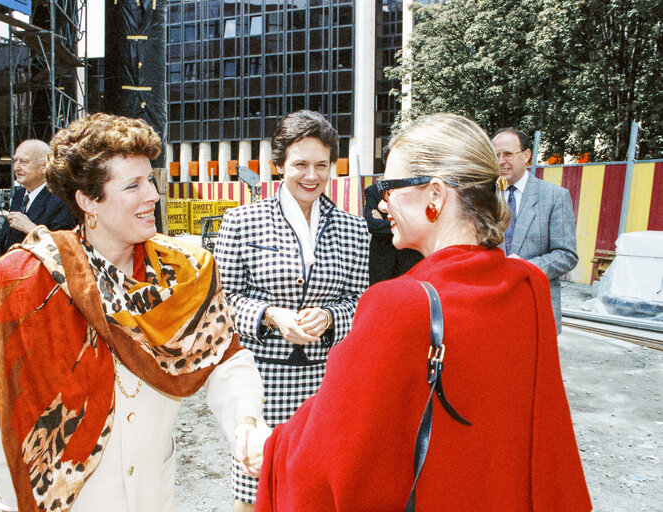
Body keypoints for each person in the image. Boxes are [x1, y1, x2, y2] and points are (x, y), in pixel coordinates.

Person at [254, 114, 592, 511]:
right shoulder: (527, 284)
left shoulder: (398, 304)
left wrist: (270, 447)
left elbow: (329, 458)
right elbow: (546, 440)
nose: (382, 203)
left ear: (435, 195)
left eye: (390, 187)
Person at [0, 113, 265, 511]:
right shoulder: (31, 281)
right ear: (87, 200)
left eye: (149, 179)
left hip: (153, 492)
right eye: (132, 185)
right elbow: (6, 418)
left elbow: (226, 359)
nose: (152, 195)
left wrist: (245, 424)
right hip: (72, 500)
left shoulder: (184, 272)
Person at [214, 110, 370, 511]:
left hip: (327, 385)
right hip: (261, 387)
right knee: (256, 491)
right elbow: (225, 302)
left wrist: (333, 316)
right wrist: (270, 315)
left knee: (316, 493)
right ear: (278, 165)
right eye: (300, 164)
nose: (311, 175)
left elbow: (360, 302)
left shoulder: (354, 229)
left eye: (322, 165)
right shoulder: (242, 222)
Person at [491, 128, 578, 333]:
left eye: (508, 154)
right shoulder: (484, 198)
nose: (501, 161)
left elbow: (567, 255)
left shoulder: (554, 197)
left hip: (535, 306)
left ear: (527, 155)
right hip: (491, 308)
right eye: (496, 155)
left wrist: (525, 268)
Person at [0, 139, 77, 258]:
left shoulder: (61, 200)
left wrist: (32, 229)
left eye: (24, 162)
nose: (16, 167)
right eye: (15, 160)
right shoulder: (19, 195)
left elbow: (65, 248)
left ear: (44, 166)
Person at [363, 182, 422, 285]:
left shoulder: (414, 188)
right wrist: (401, 223)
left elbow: (417, 221)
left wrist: (386, 222)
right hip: (382, 258)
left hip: (410, 256)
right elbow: (372, 224)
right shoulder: (373, 191)